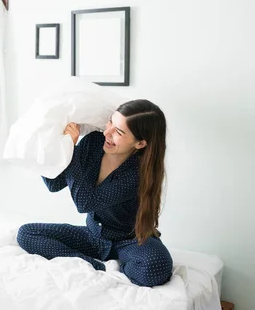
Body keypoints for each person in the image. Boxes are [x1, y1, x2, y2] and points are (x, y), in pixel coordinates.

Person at [17, 99, 173, 287]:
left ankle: (121, 264)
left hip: (130, 241)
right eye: (110, 123)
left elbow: (85, 203)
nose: (107, 132)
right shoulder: (93, 142)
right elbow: (54, 183)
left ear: (140, 143)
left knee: (156, 267)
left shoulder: (138, 173)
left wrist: (72, 151)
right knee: (27, 233)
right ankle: (92, 264)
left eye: (119, 132)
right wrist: (56, 147)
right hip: (93, 237)